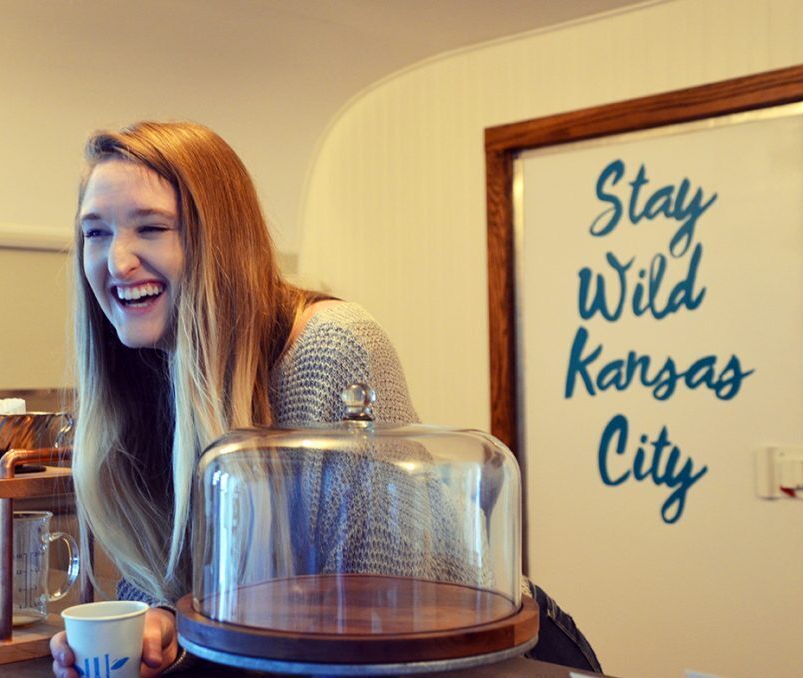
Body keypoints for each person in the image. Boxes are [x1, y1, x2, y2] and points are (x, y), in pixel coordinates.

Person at [50, 121, 601, 676]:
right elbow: (175, 576)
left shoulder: (333, 346)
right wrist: (162, 622)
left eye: (151, 228)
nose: (117, 261)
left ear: (220, 240)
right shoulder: (144, 367)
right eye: (95, 233)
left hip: (501, 658)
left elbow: (384, 612)